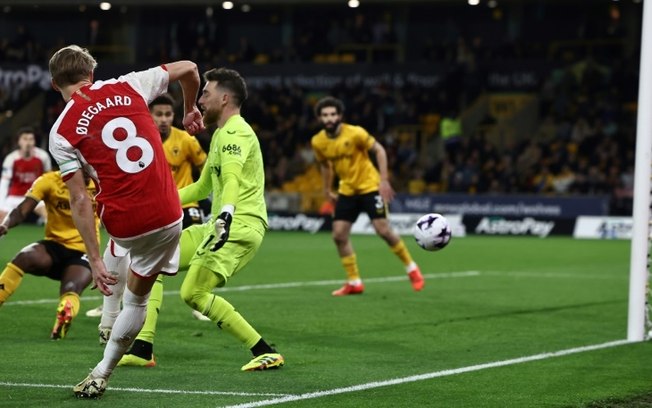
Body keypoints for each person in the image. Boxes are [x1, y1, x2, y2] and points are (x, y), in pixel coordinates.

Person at [47, 44, 204, 399]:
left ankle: (108, 317)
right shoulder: (130, 84)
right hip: (169, 214)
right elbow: (191, 68)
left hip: (124, 223)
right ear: (92, 74)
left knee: (118, 239)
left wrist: (95, 259)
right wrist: (190, 107)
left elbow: (79, 200)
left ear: (56, 85)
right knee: (139, 299)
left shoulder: (60, 132)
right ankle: (104, 365)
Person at [115, 67, 284, 371]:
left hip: (238, 226)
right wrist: (151, 201)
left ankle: (264, 350)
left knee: (193, 293)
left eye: (205, 93)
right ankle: (143, 347)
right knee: (151, 263)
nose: (200, 100)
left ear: (225, 97)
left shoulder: (236, 133)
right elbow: (203, 187)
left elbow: (231, 179)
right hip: (217, 224)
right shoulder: (221, 133)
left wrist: (227, 215)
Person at [85, 93, 208, 321]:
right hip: (152, 208)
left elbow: (207, 167)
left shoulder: (186, 141)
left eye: (168, 114)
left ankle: (199, 300)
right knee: (128, 256)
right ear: (150, 115)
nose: (163, 119)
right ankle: (112, 302)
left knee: (201, 251)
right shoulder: (137, 140)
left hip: (185, 204)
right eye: (158, 114)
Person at [311, 96, 424, 296]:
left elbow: (379, 150)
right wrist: (327, 189)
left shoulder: (355, 133)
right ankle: (354, 282)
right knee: (338, 235)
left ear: (340, 116)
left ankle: (411, 268)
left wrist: (383, 180)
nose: (329, 118)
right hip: (347, 190)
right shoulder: (318, 141)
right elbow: (325, 165)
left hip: (370, 186)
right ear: (320, 118)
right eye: (325, 115)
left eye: (333, 114)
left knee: (383, 230)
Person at [0, 170, 98, 339]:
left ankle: (64, 313)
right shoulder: (51, 181)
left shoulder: (97, 182)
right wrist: (5, 224)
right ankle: (66, 311)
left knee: (25, 258)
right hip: (66, 249)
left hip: (74, 250)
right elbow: (22, 210)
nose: (89, 173)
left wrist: (6, 224)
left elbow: (22, 210)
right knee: (70, 288)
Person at [0, 126, 52, 223]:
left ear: (34, 141)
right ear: (19, 142)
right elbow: (4, 183)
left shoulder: (43, 156)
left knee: (50, 217)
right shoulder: (11, 158)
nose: (28, 142)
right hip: (15, 196)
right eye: (25, 139)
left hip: (35, 195)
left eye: (31, 139)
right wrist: (1, 206)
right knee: (1, 220)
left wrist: (49, 200)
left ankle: (53, 238)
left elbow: (50, 179)